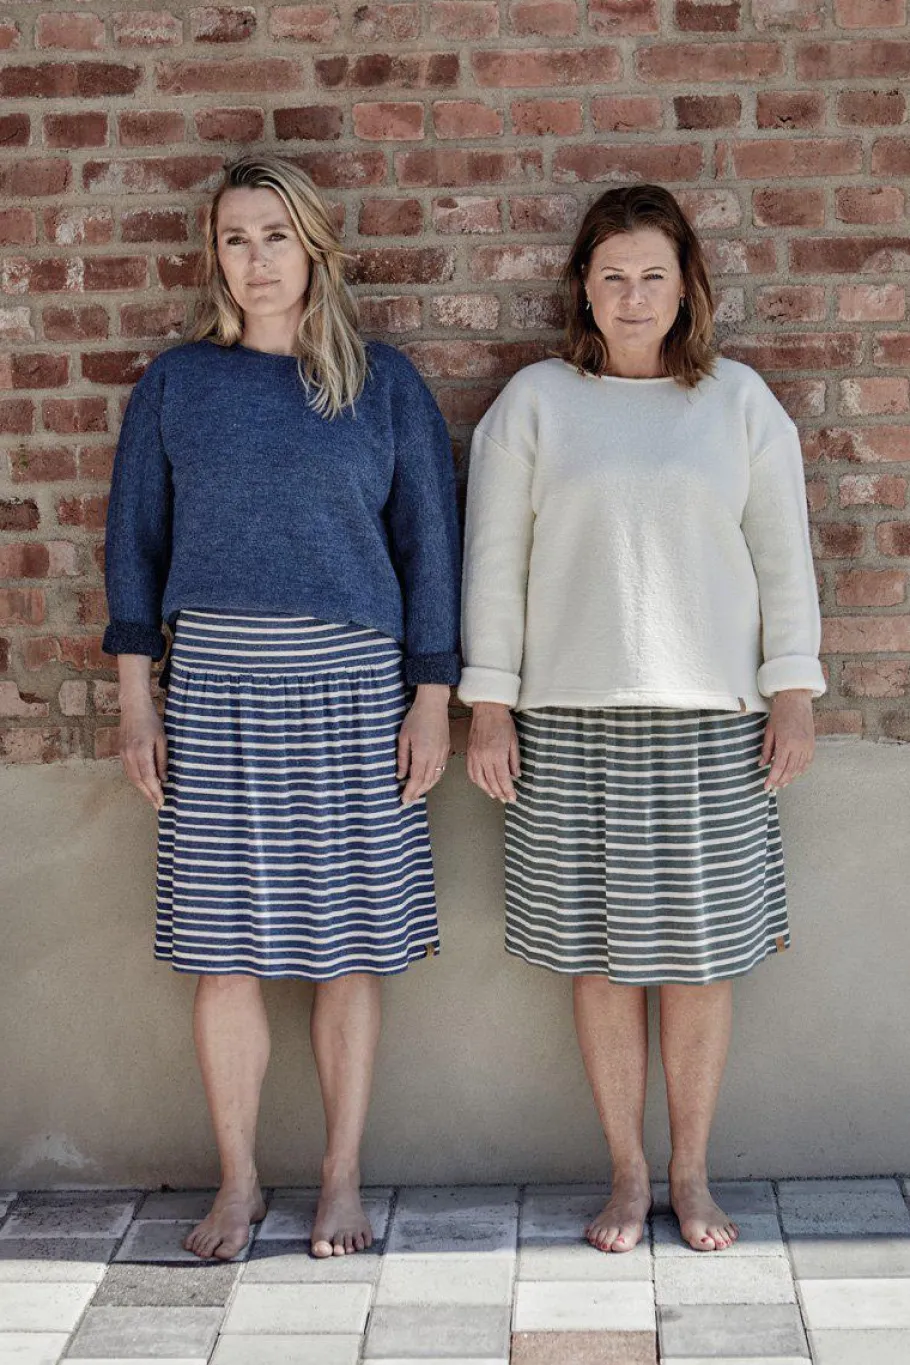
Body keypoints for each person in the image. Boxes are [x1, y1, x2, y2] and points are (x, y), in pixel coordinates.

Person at [103, 153, 460, 1260]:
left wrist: (432, 698)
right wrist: (137, 701)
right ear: (214, 256)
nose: (255, 260)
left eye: (275, 236)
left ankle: (341, 1178)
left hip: (355, 695)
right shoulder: (177, 385)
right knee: (225, 952)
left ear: (314, 248)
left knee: (348, 949)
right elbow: (132, 550)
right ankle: (239, 1183)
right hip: (213, 693)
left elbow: (430, 552)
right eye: (234, 239)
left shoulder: (382, 385)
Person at [459, 184, 824, 1254]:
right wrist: (490, 707)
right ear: (584, 286)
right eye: (613, 275)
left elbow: (782, 558)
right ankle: (625, 1174)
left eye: (653, 275)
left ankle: (690, 1175)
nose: (632, 296)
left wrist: (792, 690)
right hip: (568, 720)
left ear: (685, 285)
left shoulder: (738, 404)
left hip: (712, 720)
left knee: (699, 959)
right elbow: (495, 567)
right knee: (599, 957)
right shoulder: (535, 404)